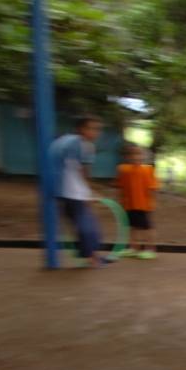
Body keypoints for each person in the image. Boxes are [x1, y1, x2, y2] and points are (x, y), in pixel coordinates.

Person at [51, 115, 112, 268]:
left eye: (98, 129)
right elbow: (84, 173)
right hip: (75, 193)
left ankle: (88, 255)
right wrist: (90, 192)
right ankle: (93, 259)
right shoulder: (86, 146)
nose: (95, 132)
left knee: (82, 224)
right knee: (89, 226)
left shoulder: (67, 141)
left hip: (62, 192)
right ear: (81, 129)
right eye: (91, 128)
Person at [116, 144, 159, 259]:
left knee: (147, 228)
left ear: (144, 156)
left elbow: (153, 188)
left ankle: (151, 249)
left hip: (143, 205)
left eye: (139, 154)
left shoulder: (148, 170)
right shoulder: (124, 170)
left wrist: (152, 203)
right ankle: (133, 248)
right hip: (130, 205)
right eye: (132, 154)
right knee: (132, 227)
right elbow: (121, 187)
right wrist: (121, 202)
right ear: (128, 157)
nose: (136, 157)